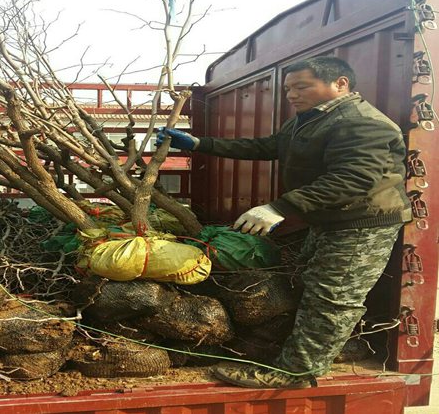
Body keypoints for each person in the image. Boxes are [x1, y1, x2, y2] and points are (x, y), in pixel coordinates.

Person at [156, 56, 412, 388]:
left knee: (331, 296)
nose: (291, 94)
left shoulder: (362, 123)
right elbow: (267, 146)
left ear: (341, 84)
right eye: (288, 88)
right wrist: (201, 144)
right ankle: (326, 348)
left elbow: (354, 178)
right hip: (329, 219)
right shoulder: (309, 120)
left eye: (302, 86)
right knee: (308, 285)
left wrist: (279, 207)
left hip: (360, 222)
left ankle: (296, 373)